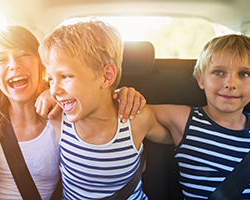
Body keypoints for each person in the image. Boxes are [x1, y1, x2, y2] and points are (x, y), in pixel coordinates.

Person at [0, 25, 145, 200]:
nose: (14, 65)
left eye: (23, 55)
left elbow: (98, 108)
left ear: (43, 66)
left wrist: (118, 95)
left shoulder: (65, 118)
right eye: (1, 60)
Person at [38, 19, 172, 200]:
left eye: (66, 76)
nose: (54, 89)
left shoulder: (135, 120)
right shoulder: (56, 117)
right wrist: (44, 93)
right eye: (51, 79)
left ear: (107, 76)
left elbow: (173, 136)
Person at [149, 34, 250, 199]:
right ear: (201, 79)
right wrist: (125, 95)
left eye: (243, 74)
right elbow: (134, 112)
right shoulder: (185, 121)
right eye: (219, 72)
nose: (231, 83)